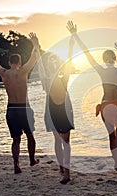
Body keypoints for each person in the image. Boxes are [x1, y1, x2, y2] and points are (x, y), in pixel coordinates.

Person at [66, 20, 117, 183]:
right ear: (114, 59)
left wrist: (75, 35)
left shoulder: (101, 70)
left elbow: (87, 53)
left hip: (106, 105)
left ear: (104, 59)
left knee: (111, 136)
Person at [0, 33, 40, 174]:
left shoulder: (4, 73)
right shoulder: (23, 71)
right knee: (30, 135)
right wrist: (35, 44)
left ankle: (16, 164)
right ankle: (31, 160)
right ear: (19, 63)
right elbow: (34, 58)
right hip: (24, 108)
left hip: (11, 109)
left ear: (10, 63)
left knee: (16, 139)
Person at [37, 36, 75, 184]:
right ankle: (61, 166)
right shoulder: (46, 80)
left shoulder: (64, 77)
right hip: (52, 112)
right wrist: (36, 47)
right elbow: (40, 66)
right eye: (50, 61)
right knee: (57, 140)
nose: (53, 63)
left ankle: (66, 172)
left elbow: (69, 62)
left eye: (55, 61)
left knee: (66, 142)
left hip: (64, 111)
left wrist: (71, 45)